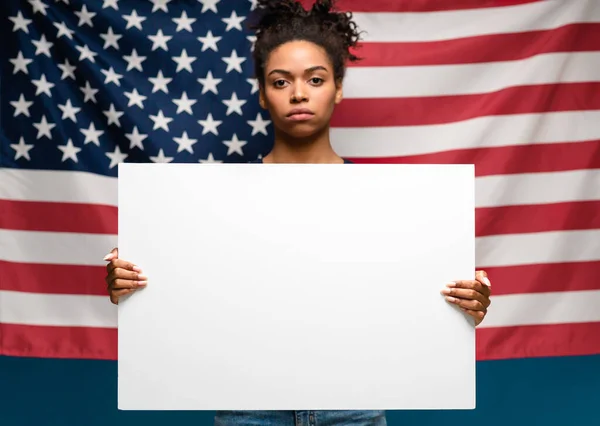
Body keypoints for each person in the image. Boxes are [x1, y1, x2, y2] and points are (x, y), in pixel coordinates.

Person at [104, 1, 492, 425]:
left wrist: (463, 303)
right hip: (248, 411)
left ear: (338, 88)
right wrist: (134, 283)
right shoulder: (214, 203)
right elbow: (187, 297)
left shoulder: (386, 204)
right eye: (280, 81)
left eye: (316, 79)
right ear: (262, 93)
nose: (299, 93)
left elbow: (410, 302)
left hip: (353, 411)